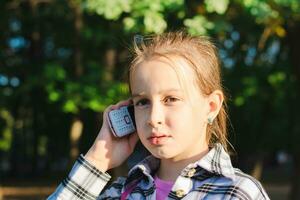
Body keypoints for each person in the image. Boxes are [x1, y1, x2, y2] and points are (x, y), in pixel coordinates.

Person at [48, 31, 270, 200]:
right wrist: (97, 160)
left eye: (171, 99)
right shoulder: (121, 192)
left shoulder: (237, 192)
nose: (153, 118)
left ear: (211, 106)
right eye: (142, 102)